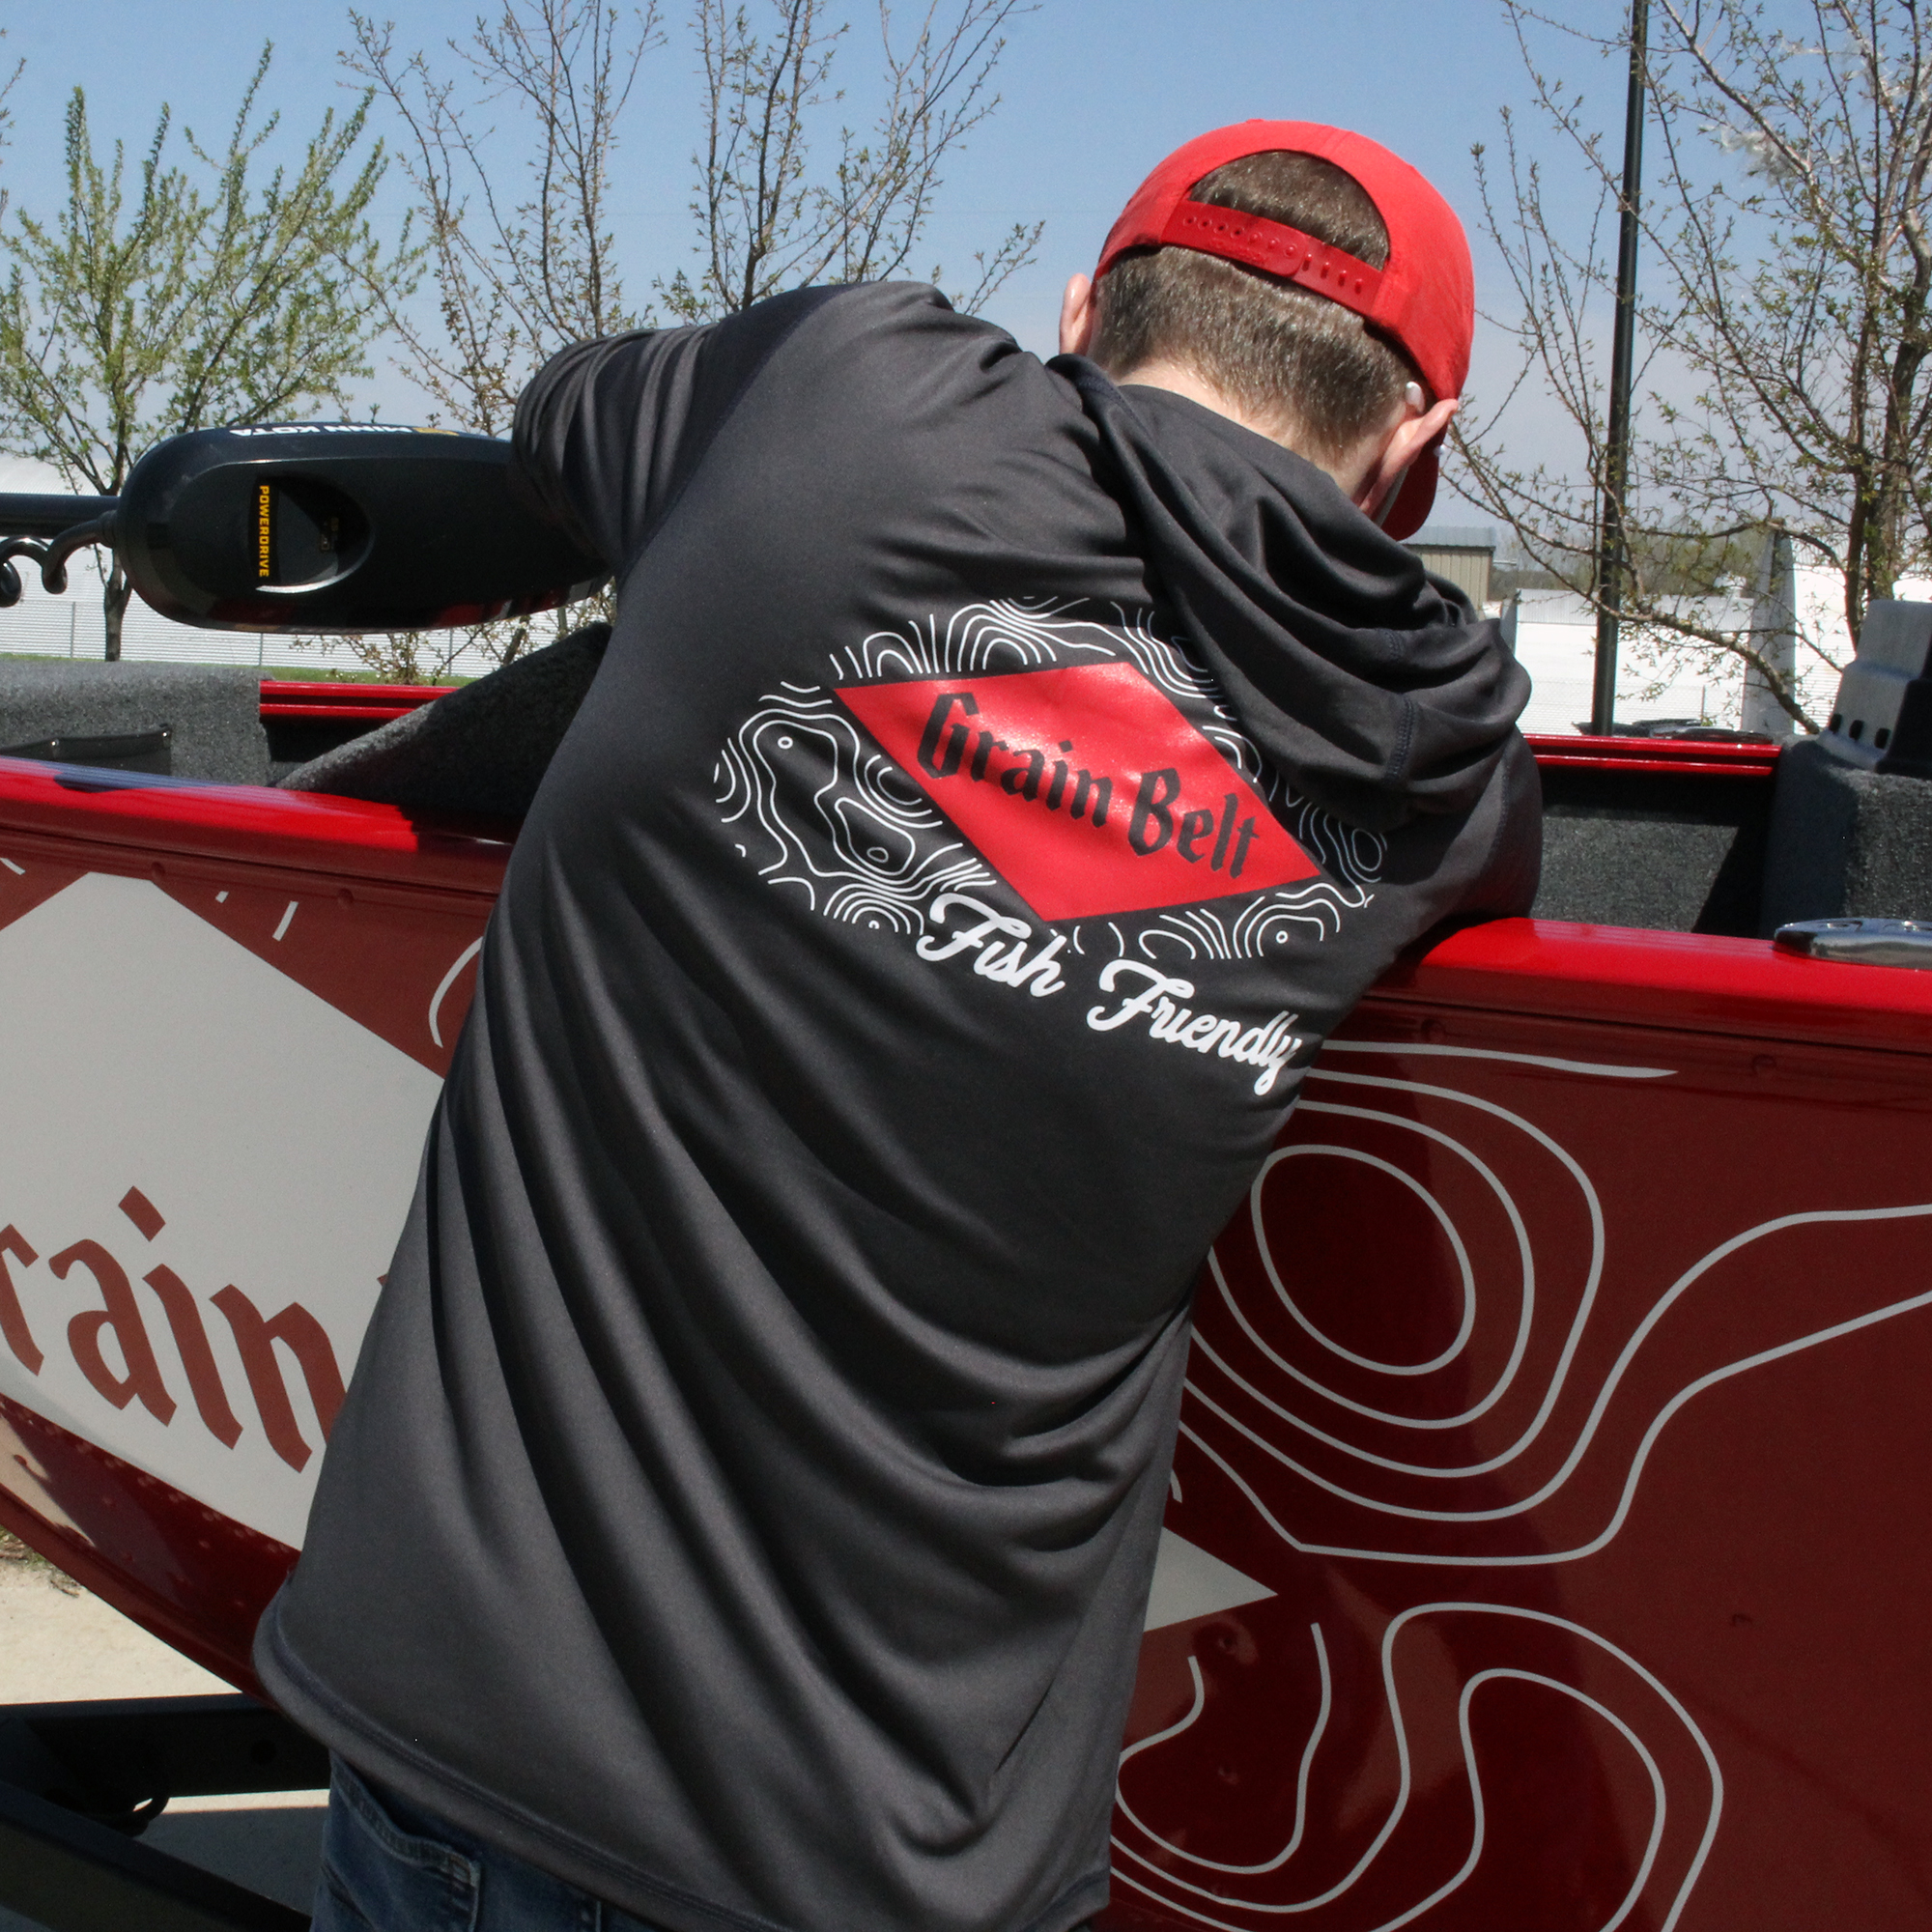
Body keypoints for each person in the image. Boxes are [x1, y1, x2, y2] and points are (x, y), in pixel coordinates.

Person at [257, 119, 1539, 1932]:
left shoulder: (850, 402)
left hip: (488, 1743)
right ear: (1416, 447)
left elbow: (560, 423)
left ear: (1085, 311)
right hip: (914, 1861)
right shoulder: (1448, 776)